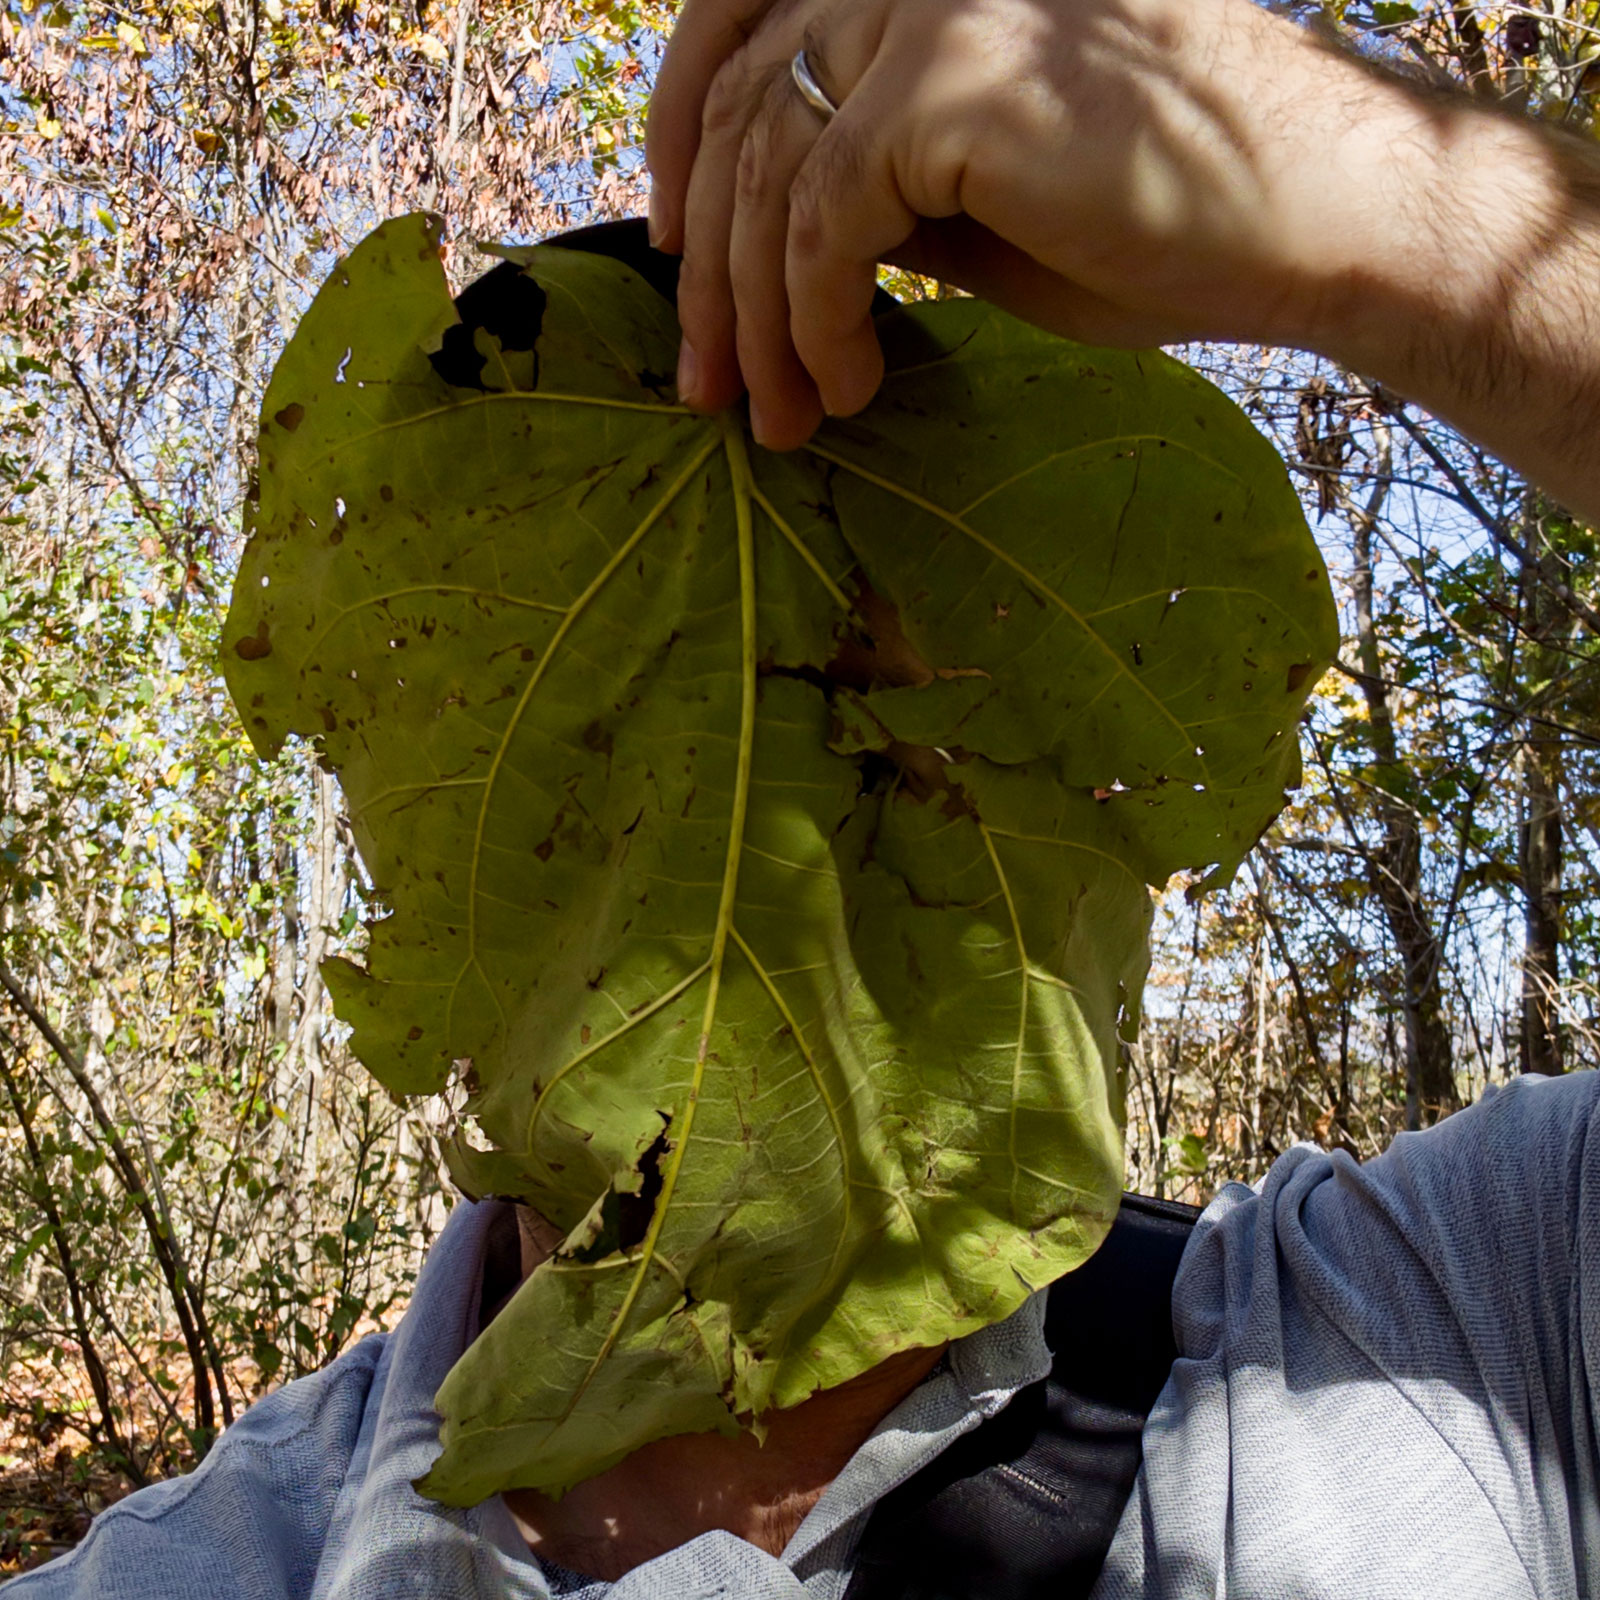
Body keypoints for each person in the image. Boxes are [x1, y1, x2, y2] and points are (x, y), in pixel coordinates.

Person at [8, 0, 1600, 1595]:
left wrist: (1389, 206)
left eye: (882, 723)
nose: (741, 824)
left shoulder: (1462, 1344)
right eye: (615, 732)